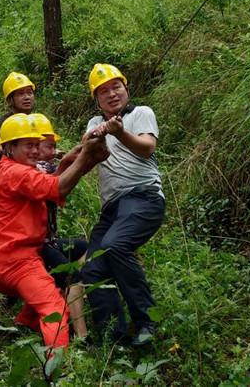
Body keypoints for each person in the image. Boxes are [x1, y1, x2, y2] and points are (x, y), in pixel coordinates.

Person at [0, 114, 108, 349]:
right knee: (54, 309)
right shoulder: (16, 173)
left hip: (4, 260)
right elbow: (56, 188)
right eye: (28, 146)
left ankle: (23, 324)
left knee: (52, 275)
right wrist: (83, 158)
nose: (35, 151)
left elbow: (47, 187)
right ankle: (58, 371)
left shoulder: (6, 169)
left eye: (36, 145)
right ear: (9, 147)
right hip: (17, 262)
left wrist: (78, 161)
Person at [81, 63, 165, 347]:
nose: (112, 94)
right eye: (103, 91)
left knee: (116, 246)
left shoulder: (141, 113)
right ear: (96, 99)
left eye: (116, 87)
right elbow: (87, 146)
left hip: (143, 197)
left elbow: (146, 147)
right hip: (112, 209)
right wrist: (101, 132)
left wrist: (119, 133)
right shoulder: (95, 123)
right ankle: (113, 337)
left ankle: (146, 323)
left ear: (126, 88)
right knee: (92, 269)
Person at [30, 113, 89, 339]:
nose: (53, 151)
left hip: (50, 241)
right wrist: (80, 158)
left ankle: (71, 299)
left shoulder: (47, 166)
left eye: (54, 146)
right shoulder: (34, 168)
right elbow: (55, 184)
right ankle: (82, 335)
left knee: (83, 247)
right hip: (37, 245)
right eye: (48, 147)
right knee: (71, 275)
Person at [0, 72, 36, 164]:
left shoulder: (33, 122)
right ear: (10, 100)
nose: (27, 97)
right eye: (21, 94)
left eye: (29, 93)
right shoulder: (2, 123)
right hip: (5, 174)